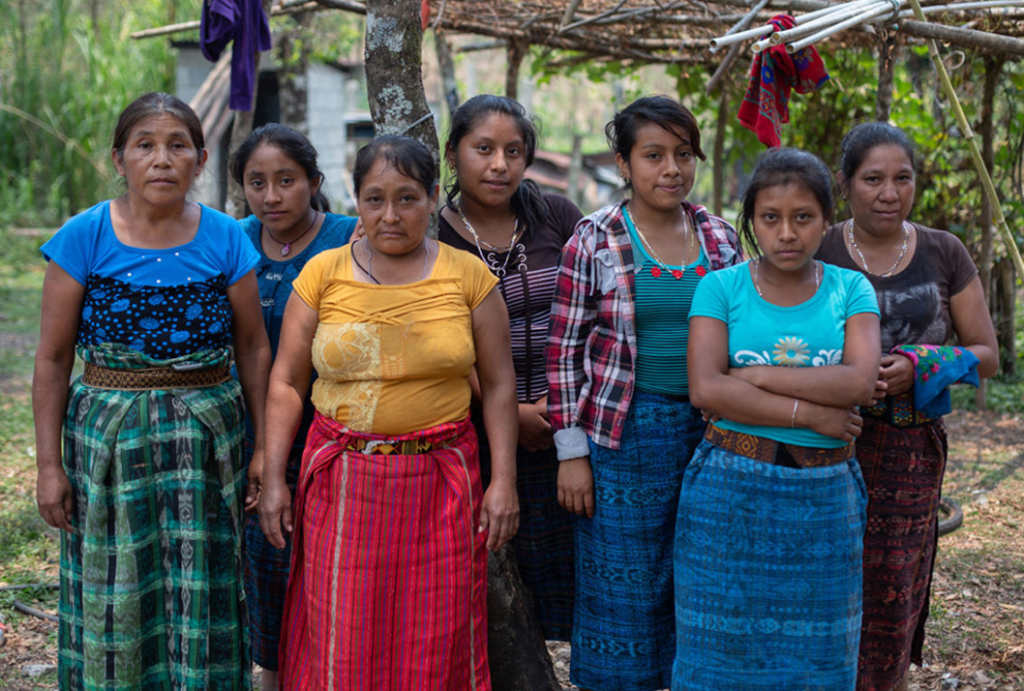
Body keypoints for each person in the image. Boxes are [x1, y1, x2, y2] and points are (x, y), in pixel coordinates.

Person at [258, 134, 520, 690]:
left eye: (407, 198)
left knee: (436, 634)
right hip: (342, 485)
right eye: (375, 200)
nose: (391, 215)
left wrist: (504, 482)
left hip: (441, 487)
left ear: (432, 197)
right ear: (356, 200)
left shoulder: (468, 277)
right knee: (342, 630)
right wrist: (275, 477)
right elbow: (286, 382)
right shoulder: (322, 274)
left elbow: (499, 385)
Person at [32, 92, 270, 690]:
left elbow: (252, 348)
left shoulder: (225, 237)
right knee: (115, 579)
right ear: (120, 159)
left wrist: (264, 448)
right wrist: (49, 467)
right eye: (145, 146)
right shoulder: (84, 236)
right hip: (109, 443)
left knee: (204, 582)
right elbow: (54, 358)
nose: (162, 159)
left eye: (177, 146)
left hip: (206, 445)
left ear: (201, 159)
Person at [546, 95, 743, 691]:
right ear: (624, 163)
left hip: (712, 434)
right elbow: (564, 354)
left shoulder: (719, 237)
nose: (671, 169)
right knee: (622, 585)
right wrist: (572, 454)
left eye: (683, 154)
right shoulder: (594, 239)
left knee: (702, 575)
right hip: (621, 437)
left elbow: (743, 335)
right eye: (653, 155)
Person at [677, 147, 882, 690]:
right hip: (729, 494)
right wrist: (811, 414)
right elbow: (706, 389)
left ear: (827, 220)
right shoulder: (720, 288)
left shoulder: (851, 289)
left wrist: (755, 376)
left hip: (826, 496)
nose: (787, 233)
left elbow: (859, 383)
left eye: (803, 217)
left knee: (821, 653)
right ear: (751, 221)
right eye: (770, 218)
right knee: (718, 651)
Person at [816, 122, 998, 691]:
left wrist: (920, 366)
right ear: (844, 183)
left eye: (903, 178)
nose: (889, 193)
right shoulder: (816, 246)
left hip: (910, 451)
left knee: (894, 590)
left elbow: (986, 354)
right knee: (824, 583)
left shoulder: (945, 251)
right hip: (823, 441)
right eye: (873, 179)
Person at [438, 94, 582, 640]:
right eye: (484, 149)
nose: (499, 165)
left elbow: (591, 313)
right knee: (492, 587)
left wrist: (556, 409)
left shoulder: (557, 217)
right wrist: (509, 412)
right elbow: (440, 339)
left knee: (572, 583)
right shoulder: (432, 235)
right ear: (453, 154)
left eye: (513, 151)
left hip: (566, 427)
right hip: (476, 434)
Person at [228, 123, 357, 690]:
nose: (271, 196)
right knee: (266, 560)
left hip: (332, 431)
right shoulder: (232, 241)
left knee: (332, 565)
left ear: (314, 182)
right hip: (248, 430)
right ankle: (273, 674)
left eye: (287, 180)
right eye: (257, 183)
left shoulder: (351, 238)